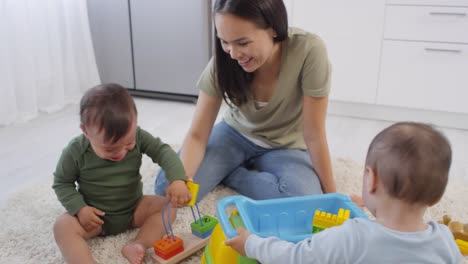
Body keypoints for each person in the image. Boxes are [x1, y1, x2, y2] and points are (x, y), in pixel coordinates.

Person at [155, 0, 335, 201]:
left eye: (242, 43)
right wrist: (182, 180)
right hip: (235, 134)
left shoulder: (309, 50)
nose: (233, 54)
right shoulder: (224, 62)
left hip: (285, 145)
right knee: (167, 186)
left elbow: (314, 135)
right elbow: (197, 135)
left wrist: (334, 196)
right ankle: (227, 168)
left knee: (302, 198)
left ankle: (232, 174)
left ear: (274, 28)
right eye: (224, 41)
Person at [225, 122, 463, 263]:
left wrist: (252, 244)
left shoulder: (352, 236)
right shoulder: (444, 242)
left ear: (371, 180)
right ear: (437, 197)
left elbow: (295, 257)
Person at [52, 84, 191, 264]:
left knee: (167, 208)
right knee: (62, 227)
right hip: (95, 219)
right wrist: (80, 209)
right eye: (110, 148)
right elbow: (62, 183)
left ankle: (137, 244)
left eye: (128, 144)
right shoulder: (75, 151)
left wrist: (177, 179)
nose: (121, 152)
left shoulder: (139, 135)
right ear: (86, 131)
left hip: (134, 209)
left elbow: (163, 151)